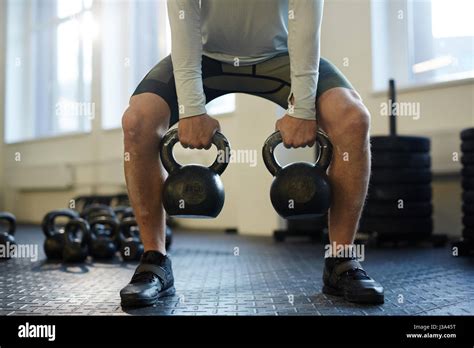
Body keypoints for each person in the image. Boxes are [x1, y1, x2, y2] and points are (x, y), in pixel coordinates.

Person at [120, 0, 384, 307]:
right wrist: (192, 109)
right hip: (205, 57)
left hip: (282, 56)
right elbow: (183, 23)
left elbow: (305, 20)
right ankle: (155, 261)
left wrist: (302, 109)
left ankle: (341, 260)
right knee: (137, 122)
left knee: (353, 119)